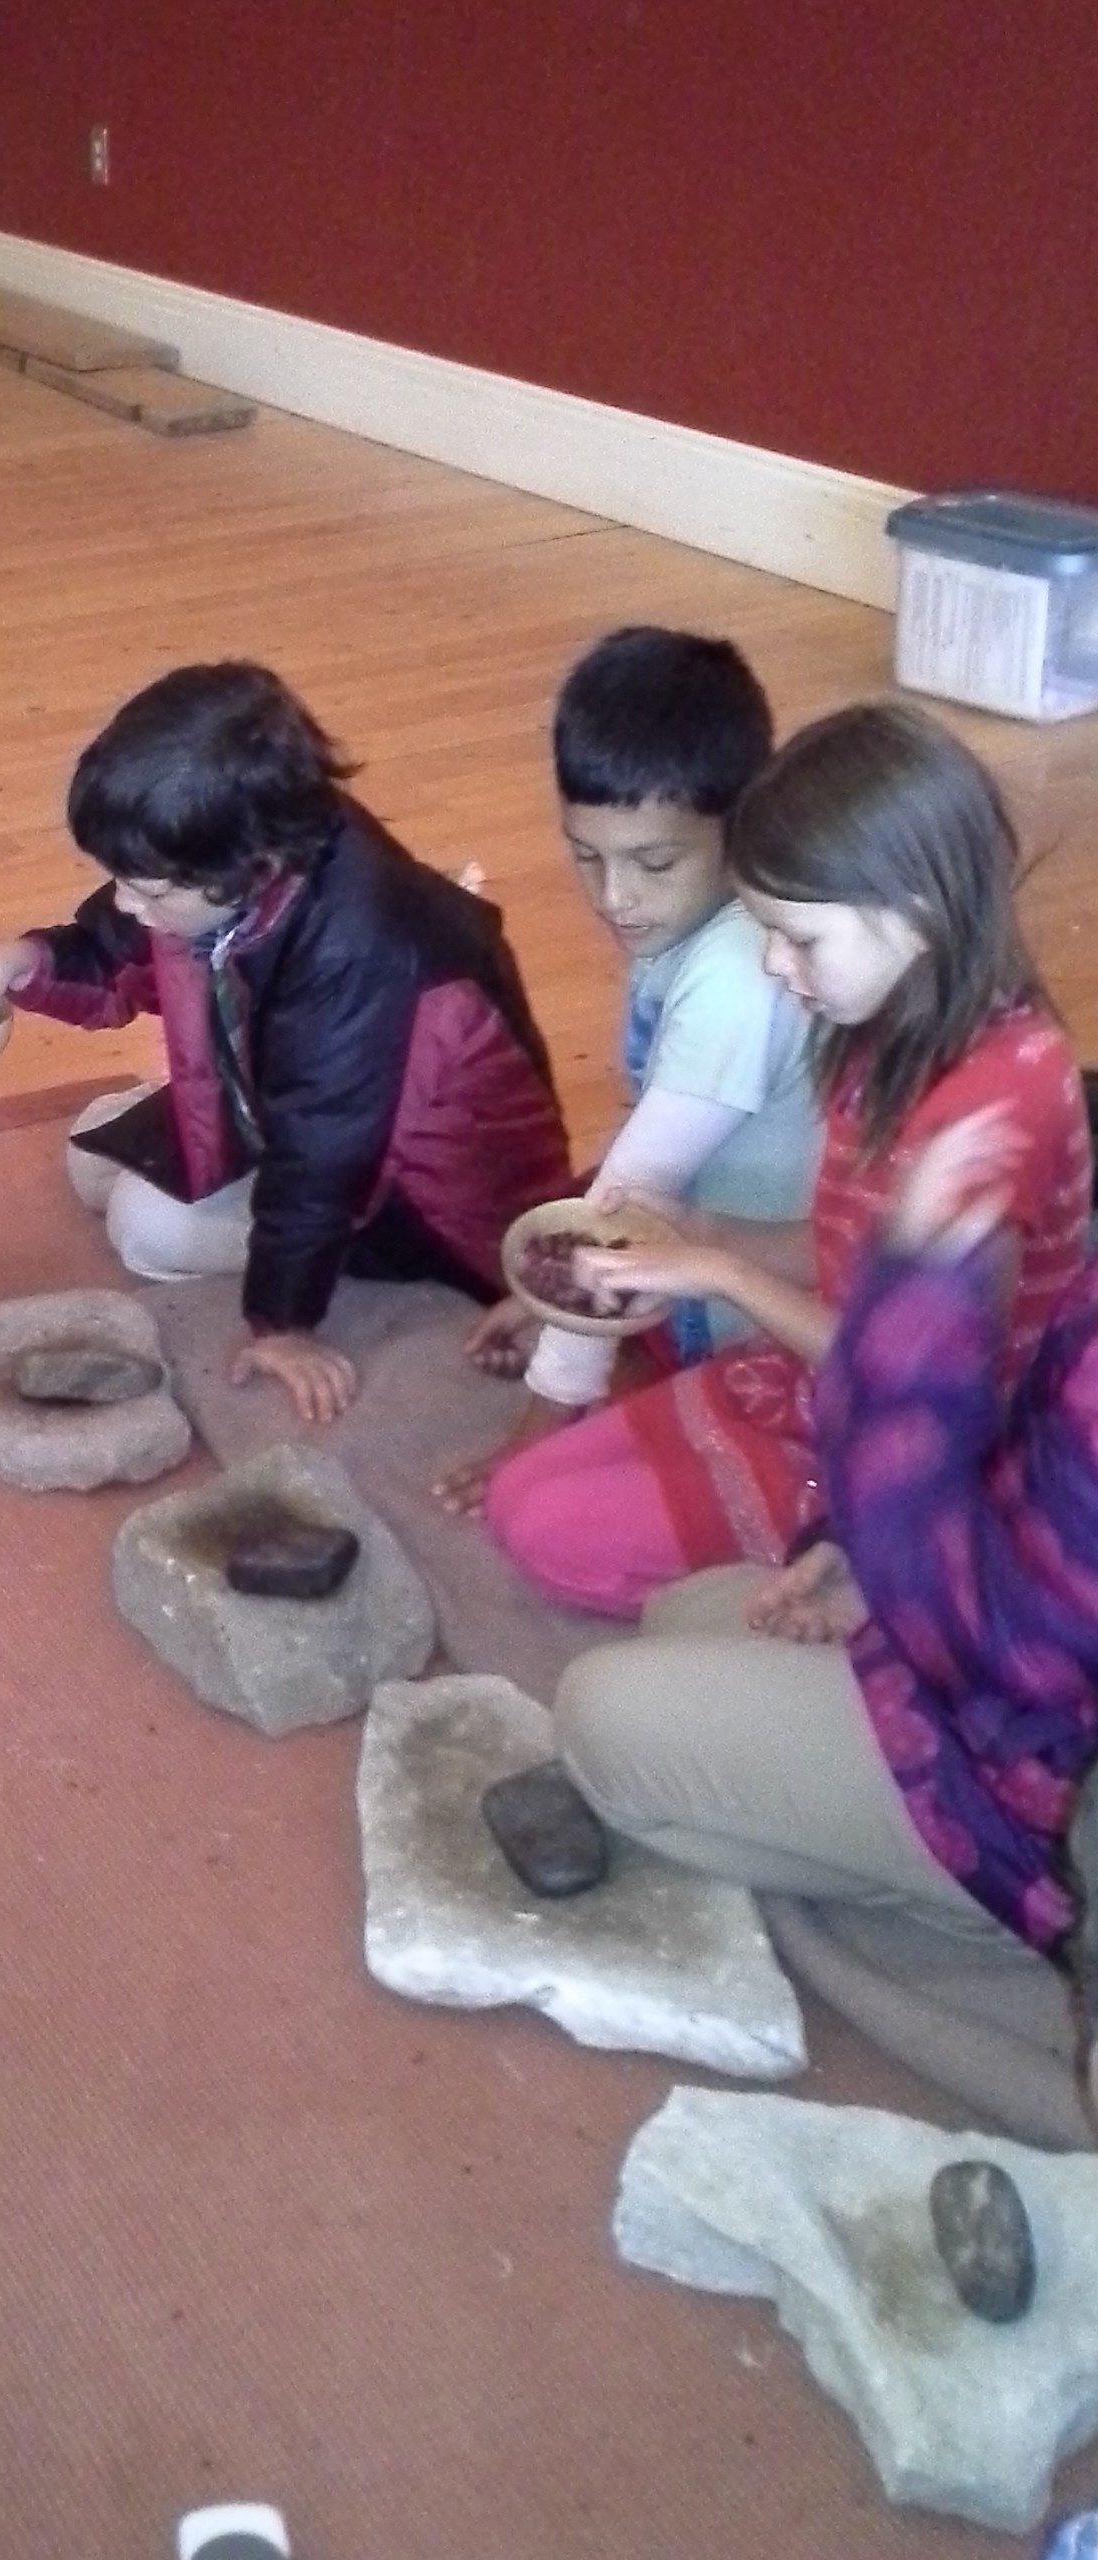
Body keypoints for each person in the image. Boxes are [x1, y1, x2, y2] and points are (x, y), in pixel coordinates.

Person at [480, 699, 1091, 1616]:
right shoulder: (882, 1024)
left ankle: (864, 1593)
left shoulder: (992, 1120)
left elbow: (916, 1382)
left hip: (926, 1458)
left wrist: (722, 1273)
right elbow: (851, 1246)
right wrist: (700, 1232)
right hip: (821, 1377)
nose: (772, 963)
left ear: (916, 910)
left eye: (798, 937)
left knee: (546, 1532)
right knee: (519, 1497)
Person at [551, 1105, 1098, 2128]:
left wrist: (891, 1556)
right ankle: (940, 1869)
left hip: (1039, 1767)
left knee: (598, 1716)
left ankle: (1011, 1901)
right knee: (684, 1614)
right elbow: (1012, 1456)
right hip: (979, 1642)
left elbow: (1036, 1644)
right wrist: (850, 1554)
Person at [0, 660, 571, 1421]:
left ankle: (364, 1295)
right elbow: (118, 952)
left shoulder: (362, 953)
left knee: (143, 1227)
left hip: (421, 1213)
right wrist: (19, 961)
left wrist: (281, 1322)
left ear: (242, 871)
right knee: (91, 1153)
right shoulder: (243, 850)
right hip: (293, 1107)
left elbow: (323, 1170)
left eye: (146, 888)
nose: (125, 903)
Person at [433, 626, 819, 1509]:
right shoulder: (689, 924)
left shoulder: (735, 976)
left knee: (550, 1510)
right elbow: (649, 1139)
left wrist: (545, 1420)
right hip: (697, 1267)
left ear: (742, 824)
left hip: (763, 1322)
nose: (615, 898)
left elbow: (630, 1208)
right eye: (586, 855)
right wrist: (546, 1296)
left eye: (653, 862)